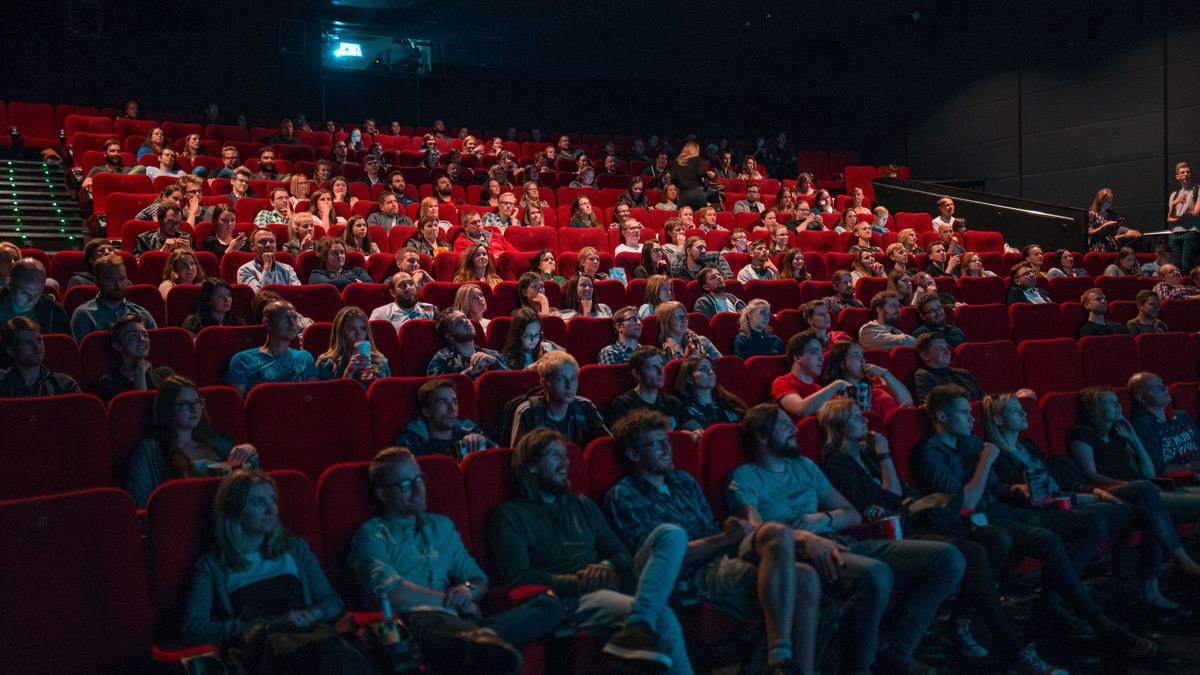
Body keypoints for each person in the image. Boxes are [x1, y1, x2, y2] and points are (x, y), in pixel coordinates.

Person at [819, 399, 1068, 675]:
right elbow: (890, 497)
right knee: (972, 552)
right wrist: (885, 456)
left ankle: (958, 622)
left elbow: (905, 492)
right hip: (893, 532)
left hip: (916, 519)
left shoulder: (867, 455)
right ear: (838, 426)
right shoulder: (838, 462)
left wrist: (896, 488)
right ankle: (1013, 649)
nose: (865, 420)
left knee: (994, 539)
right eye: (855, 418)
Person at [913, 386, 1158, 657]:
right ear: (942, 417)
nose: (972, 419)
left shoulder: (970, 444)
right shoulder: (931, 454)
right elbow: (966, 503)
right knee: (1048, 539)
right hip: (977, 522)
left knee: (1091, 521)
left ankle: (1051, 603)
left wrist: (1019, 490)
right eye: (963, 413)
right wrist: (985, 462)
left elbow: (996, 489)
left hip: (1004, 509)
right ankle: (1102, 624)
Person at [731, 403, 965, 675]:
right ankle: (860, 667)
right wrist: (804, 536)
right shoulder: (745, 477)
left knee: (949, 558)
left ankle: (896, 648)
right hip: (798, 553)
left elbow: (851, 515)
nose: (795, 429)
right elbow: (755, 530)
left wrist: (823, 519)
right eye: (784, 425)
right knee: (877, 574)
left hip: (840, 539)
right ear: (761, 435)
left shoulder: (804, 466)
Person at [605, 410, 819, 675]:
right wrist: (723, 538)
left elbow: (712, 531)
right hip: (696, 573)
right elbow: (660, 559)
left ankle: (786, 661)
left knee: (777, 533)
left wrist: (729, 533)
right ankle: (780, 661)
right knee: (804, 578)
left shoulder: (683, 481)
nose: (666, 449)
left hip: (723, 553)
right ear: (634, 454)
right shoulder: (624, 495)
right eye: (656, 444)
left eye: (667, 442)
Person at [489, 427, 691, 673]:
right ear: (531, 466)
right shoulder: (510, 514)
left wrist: (605, 567)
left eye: (566, 456)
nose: (565, 463)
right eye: (555, 455)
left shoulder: (580, 503)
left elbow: (621, 554)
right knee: (662, 616)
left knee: (671, 534)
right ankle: (641, 621)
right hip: (571, 598)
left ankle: (638, 623)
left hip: (613, 581)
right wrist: (580, 582)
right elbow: (518, 576)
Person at [349, 448, 559, 675]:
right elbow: (389, 593)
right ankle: (482, 644)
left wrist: (466, 591)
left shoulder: (442, 526)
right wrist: (449, 600)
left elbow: (477, 579)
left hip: (459, 621)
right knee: (433, 624)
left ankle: (483, 640)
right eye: (406, 484)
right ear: (382, 493)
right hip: (414, 622)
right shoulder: (371, 534)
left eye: (420, 479)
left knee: (549, 605)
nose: (418, 489)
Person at [986, 390, 1200, 610]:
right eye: (1015, 410)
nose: (1023, 413)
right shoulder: (996, 456)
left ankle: (1164, 578)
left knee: (1147, 497)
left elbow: (1062, 479)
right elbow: (1022, 496)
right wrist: (1082, 496)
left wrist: (1093, 492)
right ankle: (1161, 579)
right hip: (1061, 506)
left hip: (1080, 494)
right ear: (998, 419)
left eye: (1022, 409)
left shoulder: (1028, 445)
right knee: (1149, 506)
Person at [180, 471, 373, 673]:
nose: (271, 509)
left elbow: (332, 602)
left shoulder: (294, 548)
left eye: (273, 500)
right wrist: (264, 624)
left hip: (312, 637)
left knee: (332, 651)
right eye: (258, 503)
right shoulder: (211, 566)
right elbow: (193, 629)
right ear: (234, 510)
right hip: (263, 649)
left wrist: (312, 613)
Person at [125, 375, 257, 507]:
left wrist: (250, 453)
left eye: (197, 402)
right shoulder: (149, 450)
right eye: (185, 404)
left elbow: (250, 487)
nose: (194, 410)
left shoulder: (220, 444)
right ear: (168, 408)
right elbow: (138, 501)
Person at [508, 352, 609, 447]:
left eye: (573, 378)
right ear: (544, 383)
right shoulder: (528, 412)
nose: (569, 386)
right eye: (561, 379)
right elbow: (520, 459)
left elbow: (605, 446)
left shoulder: (586, 407)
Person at [224, 300, 316, 396]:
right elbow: (237, 406)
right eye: (284, 317)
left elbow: (312, 400)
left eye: (294, 317)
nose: (292, 323)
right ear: (267, 323)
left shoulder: (305, 358)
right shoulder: (242, 360)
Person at [604, 346, 700, 435]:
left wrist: (694, 435)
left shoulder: (672, 402)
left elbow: (697, 430)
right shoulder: (624, 404)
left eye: (661, 365)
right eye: (653, 367)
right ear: (636, 374)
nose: (661, 372)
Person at [393, 381, 497, 460]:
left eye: (454, 402)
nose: (452, 408)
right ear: (426, 411)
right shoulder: (411, 443)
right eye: (443, 402)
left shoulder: (470, 432)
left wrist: (483, 442)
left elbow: (497, 458)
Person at [70, 254, 158, 342]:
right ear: (96, 282)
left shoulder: (142, 314)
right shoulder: (84, 315)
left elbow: (157, 349)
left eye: (122, 279)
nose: (118, 285)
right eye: (110, 280)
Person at [1128, 371, 1200, 475]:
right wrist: (1193, 467)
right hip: (1177, 482)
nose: (1165, 388)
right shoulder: (1141, 426)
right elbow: (1158, 468)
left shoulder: (1181, 416)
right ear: (1141, 398)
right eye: (1156, 387)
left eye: (1162, 384)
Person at [772, 330, 852, 419]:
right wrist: (838, 384)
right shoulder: (783, 382)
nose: (822, 358)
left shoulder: (820, 390)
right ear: (798, 357)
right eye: (814, 352)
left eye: (821, 352)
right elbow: (800, 409)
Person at [93, 313, 174, 402]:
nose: (142, 339)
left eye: (145, 335)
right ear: (117, 346)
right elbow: (138, 411)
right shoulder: (109, 382)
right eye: (133, 335)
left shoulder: (164, 374)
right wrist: (139, 371)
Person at [0, 317, 80, 397]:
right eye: (28, 342)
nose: (37, 347)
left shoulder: (65, 386)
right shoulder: (3, 385)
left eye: (39, 340)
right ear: (11, 351)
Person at [316, 306, 390, 385]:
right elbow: (329, 396)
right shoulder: (326, 363)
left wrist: (375, 382)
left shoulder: (379, 361)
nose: (359, 334)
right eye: (352, 329)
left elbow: (387, 395)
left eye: (363, 328)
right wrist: (348, 373)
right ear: (341, 333)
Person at [427, 308, 505, 380]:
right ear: (449, 335)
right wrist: (471, 372)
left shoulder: (492, 354)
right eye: (458, 322)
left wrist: (495, 363)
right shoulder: (442, 358)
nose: (465, 321)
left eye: (465, 317)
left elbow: (514, 381)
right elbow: (437, 390)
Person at [0, 258, 68, 333]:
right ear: (9, 284)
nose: (31, 300)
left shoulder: (54, 311)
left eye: (38, 294)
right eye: (25, 293)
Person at [911, 333, 983, 404]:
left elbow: (983, 399)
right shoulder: (923, 376)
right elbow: (930, 407)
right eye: (940, 348)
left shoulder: (963, 373)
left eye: (946, 347)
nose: (947, 351)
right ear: (925, 356)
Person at [236, 228, 300, 292]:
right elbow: (258, 297)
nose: (268, 245)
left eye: (271, 241)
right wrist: (267, 267)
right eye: (263, 241)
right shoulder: (245, 270)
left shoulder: (287, 269)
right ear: (252, 247)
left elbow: (296, 293)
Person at [369, 271, 436, 330]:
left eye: (411, 283)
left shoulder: (431, 309)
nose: (408, 288)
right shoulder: (380, 314)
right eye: (402, 285)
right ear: (393, 293)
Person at [655, 301, 721, 360]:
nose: (684, 321)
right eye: (678, 317)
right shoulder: (662, 353)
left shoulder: (703, 341)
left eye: (685, 316)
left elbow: (720, 365)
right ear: (666, 322)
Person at [1167, 161, 1200, 273]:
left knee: (1187, 266)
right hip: (1175, 234)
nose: (1185, 174)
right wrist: (1175, 204)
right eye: (1182, 172)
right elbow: (1169, 218)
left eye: (1188, 172)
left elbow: (1196, 212)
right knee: (1176, 267)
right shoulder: (1174, 195)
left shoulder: (1197, 190)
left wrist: (1178, 219)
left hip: (1191, 232)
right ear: (1177, 176)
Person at [1087, 188, 1140, 252]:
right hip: (1099, 245)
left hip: (1112, 243)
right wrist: (1104, 226)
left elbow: (1114, 233)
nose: (1109, 203)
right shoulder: (1092, 214)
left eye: (1111, 201)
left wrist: (1116, 225)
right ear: (1100, 200)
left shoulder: (1111, 213)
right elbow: (1090, 233)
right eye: (1107, 201)